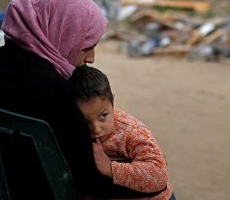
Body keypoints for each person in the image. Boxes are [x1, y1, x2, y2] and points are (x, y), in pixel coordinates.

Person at [0, 0, 163, 199]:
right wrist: (156, 185)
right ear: (64, 32)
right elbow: (88, 179)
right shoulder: (52, 89)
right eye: (87, 46)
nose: (91, 58)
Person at [69, 65, 175, 200]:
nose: (96, 128)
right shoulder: (75, 129)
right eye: (86, 121)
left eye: (103, 116)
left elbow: (158, 176)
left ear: (112, 103)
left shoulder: (132, 132)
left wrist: (111, 168)